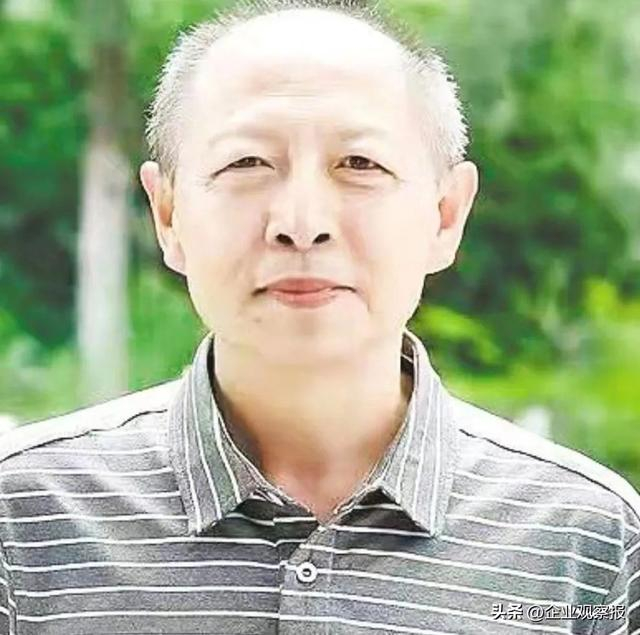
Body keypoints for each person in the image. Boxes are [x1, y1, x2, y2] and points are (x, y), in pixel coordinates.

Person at [1, 1, 638, 633]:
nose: (301, 224)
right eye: (246, 163)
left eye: (360, 164)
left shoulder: (588, 542)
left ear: (446, 215)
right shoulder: (21, 521)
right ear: (167, 215)